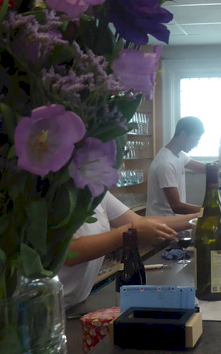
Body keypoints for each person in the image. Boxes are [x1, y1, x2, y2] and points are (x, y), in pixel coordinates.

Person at [59, 191, 196, 310]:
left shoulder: (98, 190)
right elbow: (70, 252)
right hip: (54, 306)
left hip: (77, 303)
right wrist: (130, 231)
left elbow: (140, 221)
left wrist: (199, 217)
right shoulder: (56, 192)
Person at [147, 116, 206, 216]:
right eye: (194, 140)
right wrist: (208, 210)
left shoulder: (179, 155)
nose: (195, 145)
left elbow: (205, 169)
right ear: (183, 134)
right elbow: (177, 206)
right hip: (163, 222)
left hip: (174, 220)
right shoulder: (166, 164)